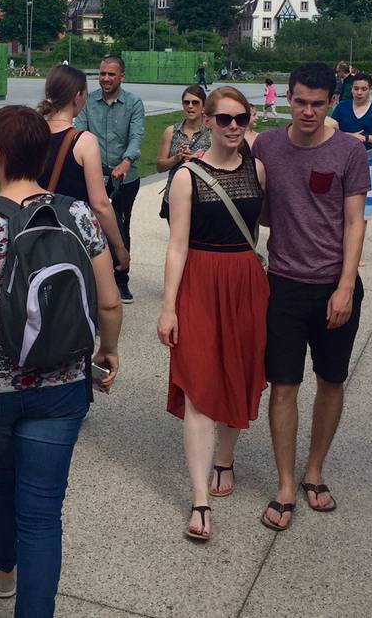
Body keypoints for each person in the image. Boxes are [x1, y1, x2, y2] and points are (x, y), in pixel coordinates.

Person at [0, 106, 122, 616]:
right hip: (61, 383)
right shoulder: (77, 215)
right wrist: (108, 350)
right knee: (42, 512)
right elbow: (107, 302)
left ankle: (3, 567)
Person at [251, 63, 369, 530]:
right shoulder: (266, 146)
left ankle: (314, 470)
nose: (307, 111)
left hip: (334, 284)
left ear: (331, 103)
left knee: (330, 381)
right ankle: (285, 483)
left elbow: (355, 222)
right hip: (283, 282)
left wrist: (345, 286)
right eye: (300, 101)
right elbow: (257, 209)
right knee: (283, 386)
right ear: (287, 98)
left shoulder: (348, 151)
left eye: (318, 104)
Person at [158, 87, 268, 542]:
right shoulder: (187, 176)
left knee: (238, 374)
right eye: (224, 119)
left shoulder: (257, 168)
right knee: (200, 384)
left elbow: (268, 224)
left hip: (245, 283)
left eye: (241, 118)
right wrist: (168, 307)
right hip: (200, 283)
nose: (233, 126)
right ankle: (200, 497)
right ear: (208, 121)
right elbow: (176, 247)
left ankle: (225, 458)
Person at [37, 66, 131, 268]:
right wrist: (119, 247)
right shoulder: (83, 141)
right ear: (77, 96)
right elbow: (100, 205)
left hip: (35, 231)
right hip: (72, 237)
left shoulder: (33, 132)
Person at [75, 55, 144, 304]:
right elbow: (80, 132)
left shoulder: (133, 103)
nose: (105, 79)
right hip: (94, 176)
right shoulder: (88, 102)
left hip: (124, 177)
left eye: (111, 74)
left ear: (121, 76)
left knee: (120, 227)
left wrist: (126, 161)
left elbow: (136, 136)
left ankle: (121, 279)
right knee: (90, 227)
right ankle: (93, 278)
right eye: (102, 74)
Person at [331, 73, 372, 226]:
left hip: (366, 162)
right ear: (351, 89)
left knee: (363, 211)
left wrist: (367, 137)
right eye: (356, 88)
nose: (359, 92)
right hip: (341, 160)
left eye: (363, 89)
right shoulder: (342, 107)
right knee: (337, 205)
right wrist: (349, 136)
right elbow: (329, 131)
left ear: (370, 90)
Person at [155, 85, 211, 221]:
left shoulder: (211, 133)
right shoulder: (171, 131)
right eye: (186, 102)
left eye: (195, 102)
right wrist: (176, 158)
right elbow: (160, 166)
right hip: (174, 196)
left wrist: (199, 158)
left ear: (204, 106)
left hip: (203, 198)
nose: (190, 106)